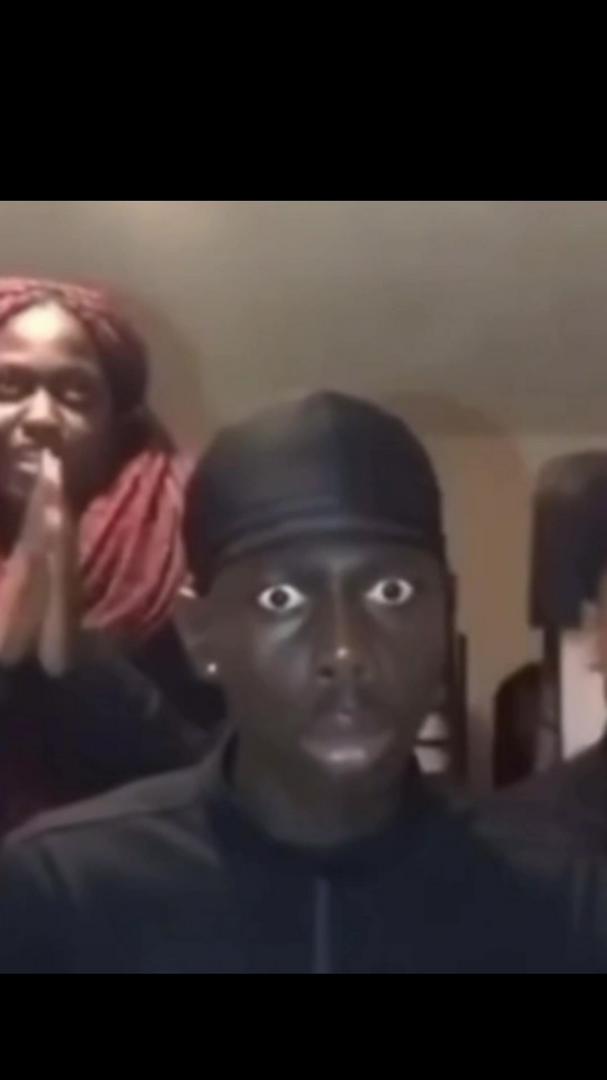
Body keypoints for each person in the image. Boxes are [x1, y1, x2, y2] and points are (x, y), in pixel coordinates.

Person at [0, 392, 590, 973]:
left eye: (392, 593)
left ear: (446, 613)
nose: (345, 651)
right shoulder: (63, 891)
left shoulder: (563, 893)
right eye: (280, 599)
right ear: (200, 634)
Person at [0, 277, 222, 833]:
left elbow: (213, 779)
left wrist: (78, 652)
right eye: (9, 386)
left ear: (115, 422)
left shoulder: (184, 550)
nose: (41, 418)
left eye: (75, 394)